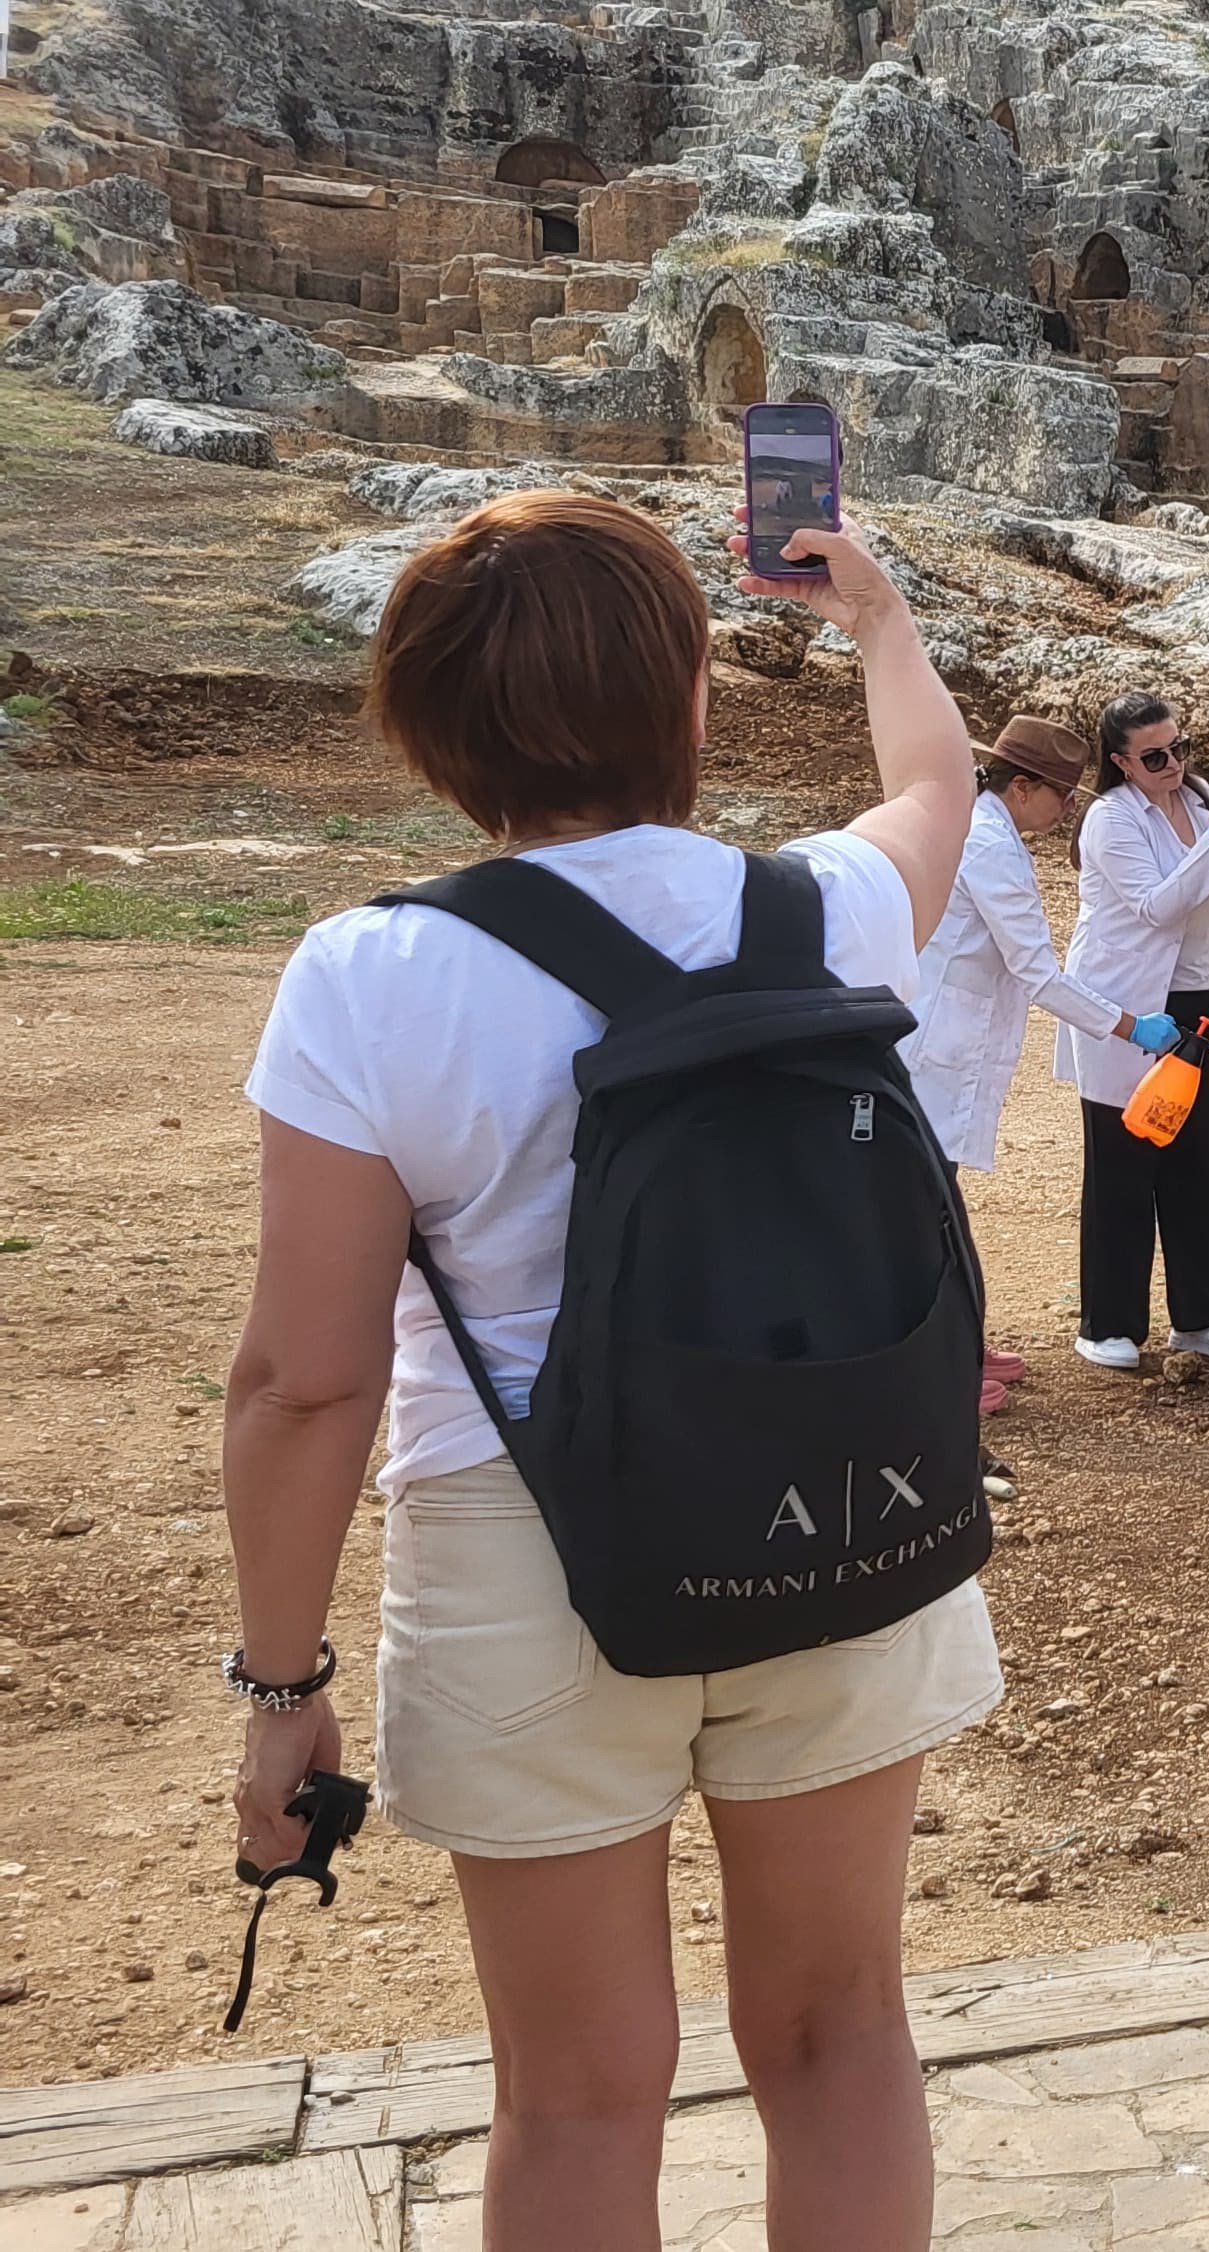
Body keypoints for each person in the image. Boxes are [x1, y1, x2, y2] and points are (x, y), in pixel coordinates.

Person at [226, 492, 990, 2248]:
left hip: (529, 1543)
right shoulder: (827, 911)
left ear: (426, 729)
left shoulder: (372, 976)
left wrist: (283, 1688)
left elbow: (305, 1382)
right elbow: (939, 790)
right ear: (696, 697)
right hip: (837, 1503)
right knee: (838, 2028)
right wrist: (873, 612)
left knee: (575, 2091)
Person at [895, 713, 1179, 1412]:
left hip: (948, 1037)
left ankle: (955, 1343)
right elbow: (1038, 972)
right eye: (1063, 794)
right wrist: (1127, 1025)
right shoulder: (987, 844)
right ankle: (931, 1370)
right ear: (1023, 788)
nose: (1069, 809)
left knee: (936, 1201)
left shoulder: (991, 832)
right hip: (936, 1045)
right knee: (919, 1208)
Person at [1052, 691, 1209, 1369]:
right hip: (1131, 1000)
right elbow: (1155, 908)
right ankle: (1107, 1322)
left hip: (1197, 991)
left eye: (1180, 747)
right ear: (1121, 761)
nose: (1172, 763)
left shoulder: (1198, 798)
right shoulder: (1110, 821)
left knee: (1199, 1157)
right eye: (1154, 756)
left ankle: (1202, 1316)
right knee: (1124, 1156)